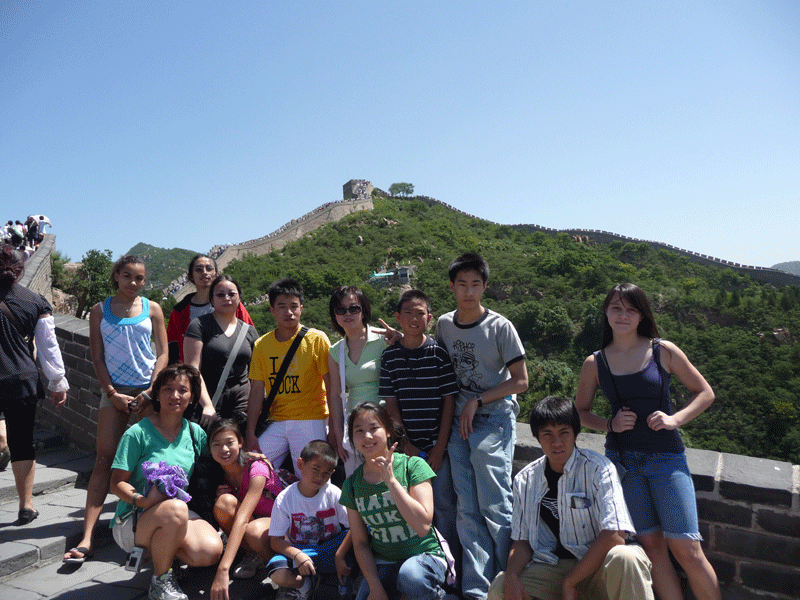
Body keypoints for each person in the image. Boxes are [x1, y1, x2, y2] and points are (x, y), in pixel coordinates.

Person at [575, 282, 721, 600]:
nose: (623, 315)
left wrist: (675, 419)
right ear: (606, 312)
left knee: (687, 548)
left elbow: (705, 392)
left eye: (631, 309)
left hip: (666, 458)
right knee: (652, 548)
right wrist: (610, 424)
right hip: (624, 464)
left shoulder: (662, 351)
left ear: (642, 315)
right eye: (616, 308)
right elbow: (580, 412)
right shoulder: (595, 363)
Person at [488, 396, 654, 600]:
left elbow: (614, 535)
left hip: (599, 566)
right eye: (547, 434)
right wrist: (512, 575)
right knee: (500, 587)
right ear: (537, 437)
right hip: (552, 567)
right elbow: (522, 541)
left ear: (575, 433)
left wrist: (571, 581)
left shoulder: (599, 469)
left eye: (563, 432)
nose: (556, 442)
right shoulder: (525, 480)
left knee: (627, 558)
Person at [435, 252, 529, 600]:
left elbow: (521, 381)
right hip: (460, 424)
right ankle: (477, 590)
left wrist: (479, 399)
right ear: (452, 287)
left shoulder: (500, 327)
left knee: (496, 505)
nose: (469, 292)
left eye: (475, 284)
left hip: (493, 419)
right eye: (462, 284)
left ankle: (509, 584)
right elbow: (438, 363)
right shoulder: (444, 324)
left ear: (485, 287)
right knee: (467, 510)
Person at [64, 255, 168, 564]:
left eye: (139, 278)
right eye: (127, 276)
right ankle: (87, 538)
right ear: (116, 276)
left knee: (154, 461)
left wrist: (150, 391)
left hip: (148, 390)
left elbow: (163, 354)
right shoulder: (100, 310)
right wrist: (112, 393)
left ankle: (152, 531)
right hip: (114, 391)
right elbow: (97, 357)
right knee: (104, 459)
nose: (133, 282)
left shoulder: (152, 308)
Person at [109, 364, 223, 600]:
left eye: (183, 390)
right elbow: (116, 483)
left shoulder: (195, 433)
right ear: (157, 395)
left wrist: (249, 459)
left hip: (174, 514)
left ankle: (166, 555)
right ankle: (160, 581)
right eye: (168, 389)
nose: (175, 396)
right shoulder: (137, 433)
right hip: (134, 519)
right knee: (177, 509)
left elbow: (219, 460)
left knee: (210, 551)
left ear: (192, 397)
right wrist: (143, 501)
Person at [380, 289, 460, 574]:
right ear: (398, 317)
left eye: (420, 313)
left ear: (429, 318)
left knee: (445, 507)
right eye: (409, 313)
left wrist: (439, 448)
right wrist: (407, 445)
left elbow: (449, 403)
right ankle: (418, 564)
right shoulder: (390, 357)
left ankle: (449, 566)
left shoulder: (438, 353)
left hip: (438, 446)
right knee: (411, 507)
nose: (414, 319)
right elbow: (391, 405)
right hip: (407, 449)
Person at [340, 402, 451, 600]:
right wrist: (375, 588)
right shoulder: (352, 485)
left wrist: (391, 481)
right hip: (384, 561)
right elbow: (360, 543)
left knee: (411, 577)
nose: (367, 436)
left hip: (423, 556)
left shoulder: (413, 466)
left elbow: (423, 526)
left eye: (374, 428)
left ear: (388, 430)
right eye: (359, 430)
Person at [0, 244, 69, 524]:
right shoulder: (35, 301)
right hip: (21, 378)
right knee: (22, 442)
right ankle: (26, 505)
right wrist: (57, 382)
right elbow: (48, 346)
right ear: (21, 270)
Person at [246, 278, 331, 476]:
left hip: (310, 418)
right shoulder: (261, 345)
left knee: (310, 476)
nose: (289, 312)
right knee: (251, 468)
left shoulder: (316, 339)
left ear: (301, 308)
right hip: (277, 420)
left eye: (294, 306)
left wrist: (335, 427)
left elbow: (332, 386)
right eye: (282, 306)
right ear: (272, 310)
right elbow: (257, 390)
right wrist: (250, 431)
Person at [207, 418, 282, 600]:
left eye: (229, 442)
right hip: (256, 524)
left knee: (252, 530)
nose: (224, 449)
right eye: (217, 444)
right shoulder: (219, 473)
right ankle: (253, 555)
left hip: (283, 529)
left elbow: (243, 518)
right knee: (224, 504)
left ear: (240, 442)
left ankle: (280, 570)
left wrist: (223, 570)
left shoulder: (257, 468)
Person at [267, 440, 351, 600]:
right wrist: (297, 555)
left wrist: (340, 555)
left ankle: (348, 581)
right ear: (300, 464)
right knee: (277, 572)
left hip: (331, 549)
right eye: (315, 469)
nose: (320, 476)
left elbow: (353, 528)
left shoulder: (334, 493)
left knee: (362, 534)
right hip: (302, 551)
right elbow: (276, 541)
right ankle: (305, 585)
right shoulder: (285, 498)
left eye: (326, 472)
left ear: (332, 473)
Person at [326, 286, 387, 476]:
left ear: (363, 310)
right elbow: (335, 395)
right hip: (355, 427)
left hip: (384, 422)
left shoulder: (384, 339)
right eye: (341, 310)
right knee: (360, 480)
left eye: (354, 308)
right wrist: (338, 435)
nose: (347, 314)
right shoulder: (335, 352)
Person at [184, 275, 259, 428]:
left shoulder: (249, 331)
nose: (227, 298)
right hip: (210, 402)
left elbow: (257, 374)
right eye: (220, 295)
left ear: (239, 298)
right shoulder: (199, 326)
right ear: (212, 300)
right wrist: (206, 405)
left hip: (242, 404)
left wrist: (256, 404)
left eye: (232, 294)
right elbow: (193, 369)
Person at [167, 254, 254, 364]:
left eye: (209, 268)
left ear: (217, 274)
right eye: (199, 269)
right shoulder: (179, 311)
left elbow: (249, 337)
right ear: (191, 276)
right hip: (193, 370)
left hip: (230, 369)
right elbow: (172, 349)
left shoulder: (232, 305)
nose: (204, 272)